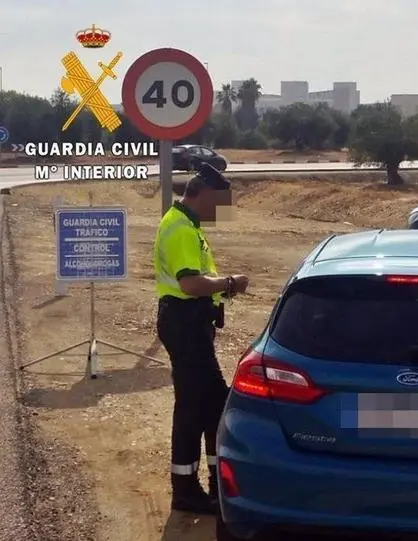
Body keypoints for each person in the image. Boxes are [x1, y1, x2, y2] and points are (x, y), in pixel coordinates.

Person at [152, 163, 249, 515]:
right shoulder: (179, 229)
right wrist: (229, 283)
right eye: (219, 202)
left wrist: (222, 291)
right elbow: (190, 284)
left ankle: (211, 485)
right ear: (203, 195)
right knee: (197, 407)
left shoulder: (188, 225)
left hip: (191, 323)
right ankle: (186, 491)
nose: (220, 211)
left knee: (209, 406)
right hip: (184, 323)